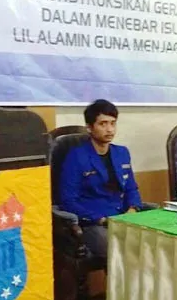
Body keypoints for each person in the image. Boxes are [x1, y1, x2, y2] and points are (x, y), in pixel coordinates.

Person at [59, 99, 142, 259]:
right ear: (89, 127)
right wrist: (100, 219)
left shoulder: (122, 153)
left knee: (153, 242)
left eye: (113, 123)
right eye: (103, 124)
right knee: (119, 250)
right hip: (93, 223)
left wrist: (133, 209)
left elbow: (131, 188)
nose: (109, 129)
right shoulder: (76, 157)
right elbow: (68, 200)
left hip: (122, 217)